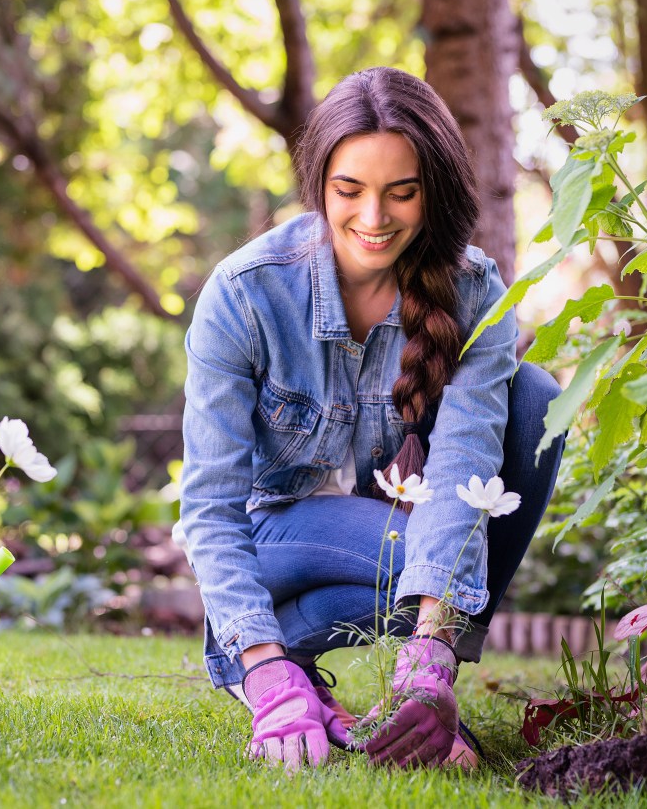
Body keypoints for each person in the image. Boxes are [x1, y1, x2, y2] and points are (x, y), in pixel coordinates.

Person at [176, 67, 565, 772]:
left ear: (433, 190)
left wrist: (430, 659)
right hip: (275, 538)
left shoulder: (473, 293)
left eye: (402, 193)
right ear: (319, 185)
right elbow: (209, 505)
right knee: (421, 559)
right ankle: (262, 661)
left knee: (537, 404)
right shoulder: (245, 294)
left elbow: (464, 468)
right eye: (349, 190)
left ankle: (366, 678)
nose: (373, 218)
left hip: (391, 525)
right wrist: (265, 676)